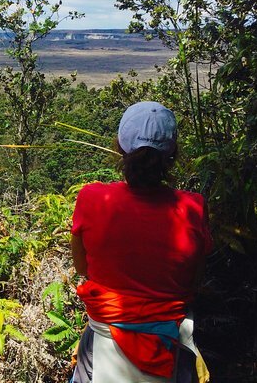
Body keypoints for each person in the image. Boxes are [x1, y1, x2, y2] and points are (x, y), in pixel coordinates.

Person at [70, 101, 212, 383]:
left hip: (103, 343)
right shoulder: (193, 207)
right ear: (172, 154)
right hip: (169, 346)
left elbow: (82, 268)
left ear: (121, 148)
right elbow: (193, 281)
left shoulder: (92, 199)